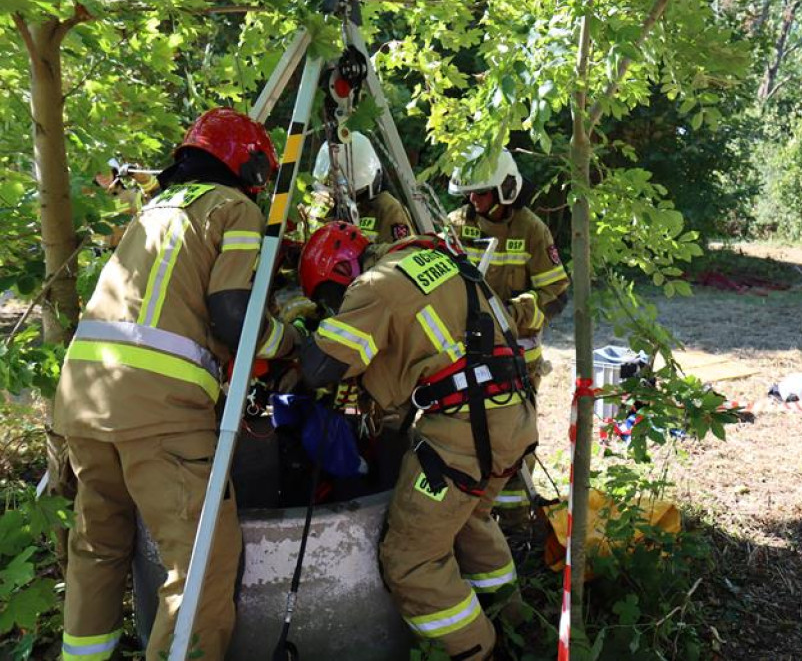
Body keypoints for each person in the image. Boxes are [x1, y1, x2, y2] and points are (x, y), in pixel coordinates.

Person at [54, 108, 298, 661]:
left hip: (85, 400)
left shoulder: (153, 210)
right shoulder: (236, 208)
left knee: (97, 547)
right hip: (160, 411)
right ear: (249, 163)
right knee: (201, 568)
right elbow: (234, 317)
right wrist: (289, 340)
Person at [298, 231, 538, 660]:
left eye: (334, 296)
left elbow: (319, 367)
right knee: (470, 521)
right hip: (512, 417)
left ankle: (480, 651)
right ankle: (518, 627)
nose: (341, 306)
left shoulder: (375, 285)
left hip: (464, 436)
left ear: (344, 270)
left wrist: (300, 328)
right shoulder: (443, 262)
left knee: (411, 561)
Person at [447, 146, 568, 518]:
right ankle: (467, 511)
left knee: (513, 439)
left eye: (481, 192)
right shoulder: (456, 223)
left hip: (518, 361)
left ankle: (513, 518)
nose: (473, 199)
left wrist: (514, 313)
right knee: (464, 433)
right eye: (469, 192)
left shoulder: (531, 228)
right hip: (463, 355)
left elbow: (556, 294)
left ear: (506, 188)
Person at [312, 131, 415, 260]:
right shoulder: (332, 213)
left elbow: (402, 255)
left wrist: (364, 256)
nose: (339, 196)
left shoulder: (386, 207)